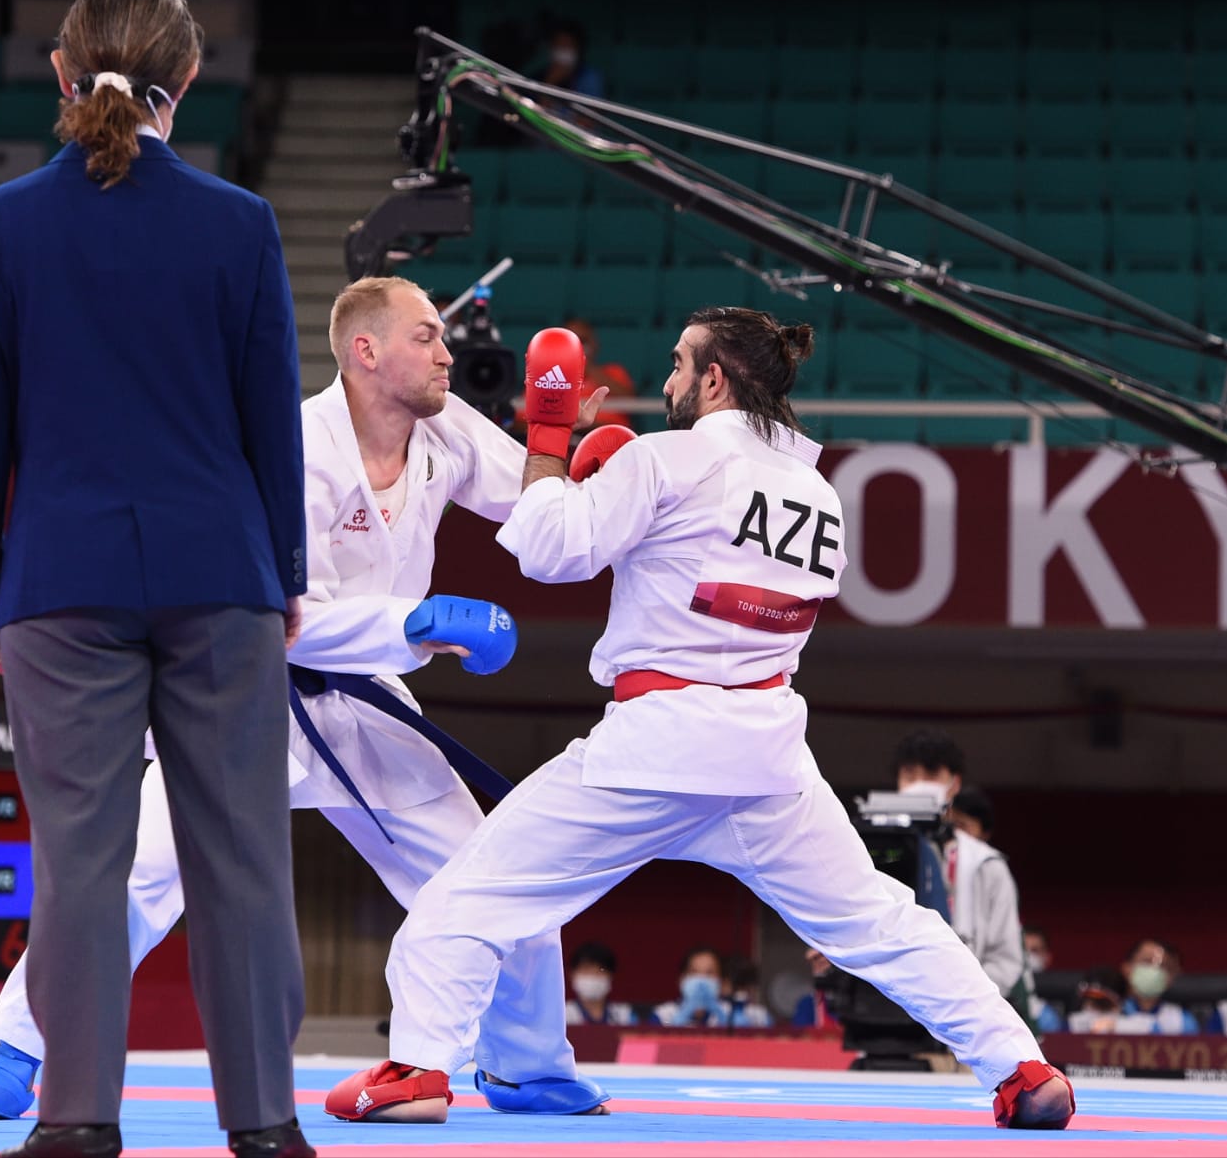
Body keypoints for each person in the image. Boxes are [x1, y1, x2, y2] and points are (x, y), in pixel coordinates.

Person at [327, 307, 1075, 1130]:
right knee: (879, 919)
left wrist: (548, 445)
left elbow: (547, 550)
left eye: (682, 364)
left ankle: (419, 1067)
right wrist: (607, 489)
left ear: (717, 377)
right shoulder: (818, 495)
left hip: (655, 742)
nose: (670, 380)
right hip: (765, 752)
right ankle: (1023, 1065)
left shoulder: (669, 458)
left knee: (465, 899)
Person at [0, 275, 611, 1128]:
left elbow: (534, 501)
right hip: (240, 692)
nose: (449, 352)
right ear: (366, 350)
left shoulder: (446, 430)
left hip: (367, 698)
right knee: (135, 875)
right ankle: (16, 1052)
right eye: (427, 336)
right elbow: (286, 615)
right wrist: (416, 618)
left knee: (491, 876)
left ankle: (527, 1065)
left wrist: (569, 447)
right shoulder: (299, 447)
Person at [0, 0, 311, 1158]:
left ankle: (75, 1122)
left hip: (58, 574)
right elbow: (273, 428)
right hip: (223, 570)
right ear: (186, 81)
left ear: (62, 71)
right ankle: (263, 1126)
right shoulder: (239, 222)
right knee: (244, 859)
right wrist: (288, 571)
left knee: (82, 861)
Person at [894, 731, 1027, 1003]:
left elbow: (1006, 957)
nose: (919, 784)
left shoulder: (987, 864)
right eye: (909, 775)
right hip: (890, 1005)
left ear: (953, 784)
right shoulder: (868, 849)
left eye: (930, 774)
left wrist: (965, 1004)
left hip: (962, 1017)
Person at [1116, 938, 1198, 1035]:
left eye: (1163, 966)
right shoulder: (1108, 1013)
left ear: (1172, 976)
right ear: (1126, 968)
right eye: (1147, 962)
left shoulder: (1182, 1021)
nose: (1154, 970)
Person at [566, 941, 636, 1026]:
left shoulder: (625, 1015)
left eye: (600, 970)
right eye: (586, 969)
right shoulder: (562, 1014)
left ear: (610, 975)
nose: (592, 976)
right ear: (572, 974)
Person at [1023, 926, 1065, 1034]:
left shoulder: (1050, 1016)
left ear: (1047, 957)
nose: (1028, 956)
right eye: (1024, 950)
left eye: (1034, 950)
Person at [790, 946, 843, 1031]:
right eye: (816, 961)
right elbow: (801, 1032)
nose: (820, 963)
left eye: (826, 962)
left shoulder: (848, 999)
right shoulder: (807, 1003)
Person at [1066, 967, 1126, 1034]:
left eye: (1102, 1003)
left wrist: (1115, 1026)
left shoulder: (1131, 1025)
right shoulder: (1072, 1024)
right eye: (1089, 999)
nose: (1092, 1006)